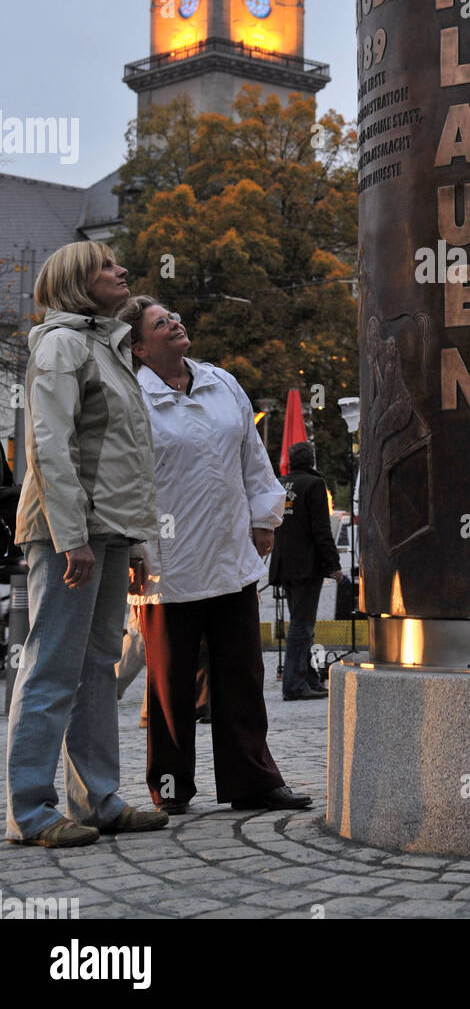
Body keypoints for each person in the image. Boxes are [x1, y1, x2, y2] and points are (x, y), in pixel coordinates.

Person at [119, 296, 311, 815]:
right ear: (138, 347)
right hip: (167, 566)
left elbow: (252, 456)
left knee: (242, 678)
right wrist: (133, 548)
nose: (176, 322)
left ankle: (253, 781)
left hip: (230, 556)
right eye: (161, 323)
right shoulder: (131, 398)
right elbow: (124, 481)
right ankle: (171, 788)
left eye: (174, 316)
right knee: (169, 687)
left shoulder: (222, 383)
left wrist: (263, 518)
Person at [6, 243, 169, 847]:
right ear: (77, 283)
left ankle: (96, 798)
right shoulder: (61, 345)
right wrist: (71, 537)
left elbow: (125, 458)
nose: (122, 270)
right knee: (52, 667)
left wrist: (134, 541)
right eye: (106, 266)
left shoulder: (108, 345)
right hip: (65, 533)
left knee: (96, 668)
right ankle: (30, 811)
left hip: (105, 532)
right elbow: (51, 446)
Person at [269, 440, 343, 700]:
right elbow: (321, 530)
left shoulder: (279, 483)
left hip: (284, 564)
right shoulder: (314, 485)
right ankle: (294, 684)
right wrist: (333, 565)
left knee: (301, 623)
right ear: (311, 460)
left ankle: (308, 677)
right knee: (302, 626)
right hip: (305, 566)